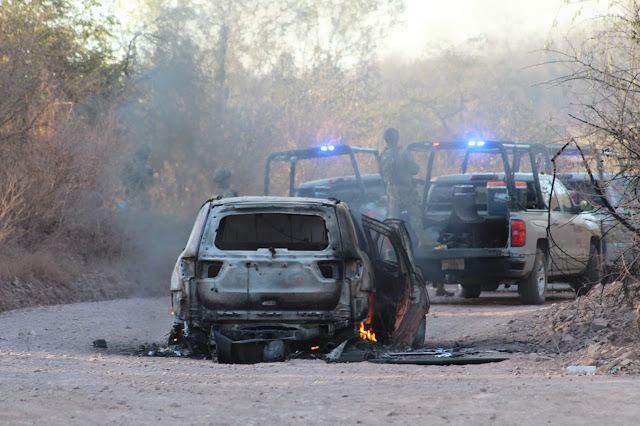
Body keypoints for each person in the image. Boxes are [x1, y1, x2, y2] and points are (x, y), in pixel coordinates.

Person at [379, 128, 453, 296]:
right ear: (396, 137)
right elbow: (413, 169)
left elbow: (382, 173)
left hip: (392, 190)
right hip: (406, 189)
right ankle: (421, 239)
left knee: (393, 217)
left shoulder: (383, 154)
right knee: (415, 214)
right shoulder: (402, 152)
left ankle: (393, 240)